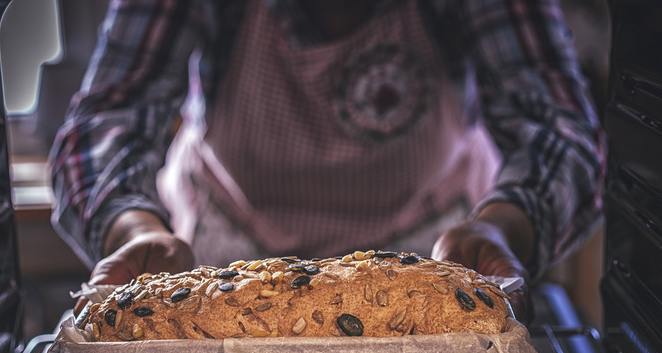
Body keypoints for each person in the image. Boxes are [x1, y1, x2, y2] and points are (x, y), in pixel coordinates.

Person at [49, 0, 605, 323]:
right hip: (225, 270)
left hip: (432, 263)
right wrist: (134, 227)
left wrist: (504, 224)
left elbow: (560, 129)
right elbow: (106, 122)